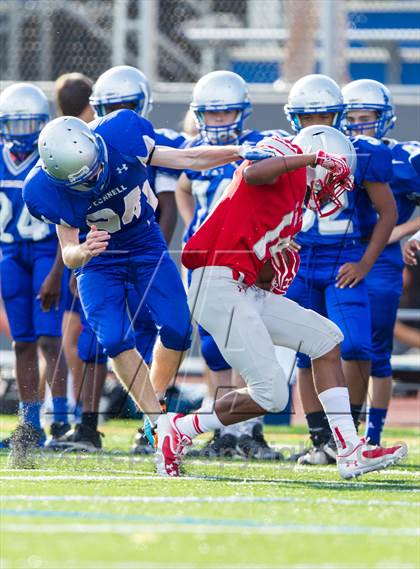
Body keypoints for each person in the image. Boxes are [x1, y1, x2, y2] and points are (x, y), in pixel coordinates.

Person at [156, 126, 406, 479]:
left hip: (244, 288)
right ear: (317, 156)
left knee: (326, 339)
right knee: (271, 394)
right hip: (215, 285)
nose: (332, 185)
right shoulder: (280, 157)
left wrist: (273, 266)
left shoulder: (295, 208)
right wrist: (309, 158)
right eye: (332, 172)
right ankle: (180, 429)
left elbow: (258, 268)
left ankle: (349, 450)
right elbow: (254, 172)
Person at [22, 109, 270, 456]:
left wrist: (237, 152)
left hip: (143, 240)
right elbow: (68, 253)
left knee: (178, 328)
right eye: (83, 178)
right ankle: (158, 422)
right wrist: (84, 250)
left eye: (95, 166)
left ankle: (154, 407)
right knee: (112, 337)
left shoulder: (121, 134)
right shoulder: (44, 190)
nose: (94, 177)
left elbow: (190, 157)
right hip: (100, 258)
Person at [283, 74, 397, 465]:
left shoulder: (362, 152)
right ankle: (321, 442)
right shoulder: (283, 149)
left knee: (356, 345)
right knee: (304, 351)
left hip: (342, 257)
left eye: (325, 113)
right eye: (307, 115)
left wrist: (366, 261)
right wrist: (281, 238)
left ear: (340, 114)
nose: (316, 121)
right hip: (301, 259)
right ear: (294, 118)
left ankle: (349, 433)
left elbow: (389, 212)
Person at [176, 70, 286, 459]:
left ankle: (249, 429)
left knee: (248, 343)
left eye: (226, 114)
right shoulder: (195, 151)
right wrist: (193, 223)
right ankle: (222, 429)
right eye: (212, 114)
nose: (219, 121)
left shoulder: (259, 148)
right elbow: (184, 188)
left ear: (241, 113)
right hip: (206, 263)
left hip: (245, 261)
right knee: (213, 350)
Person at [342, 78, 420, 444]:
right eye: (352, 116)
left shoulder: (406, 157)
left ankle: (371, 434)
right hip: (338, 254)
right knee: (339, 344)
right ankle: (339, 430)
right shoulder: (337, 153)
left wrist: (405, 231)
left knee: (375, 349)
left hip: (383, 261)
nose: (359, 123)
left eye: (366, 116)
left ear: (384, 117)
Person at [0, 83, 69, 461]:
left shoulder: (51, 158)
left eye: (30, 124)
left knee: (49, 340)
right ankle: (29, 424)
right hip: (9, 252)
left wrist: (57, 272)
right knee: (22, 342)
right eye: (16, 123)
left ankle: (59, 418)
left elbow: (67, 220)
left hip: (46, 249)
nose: (23, 133)